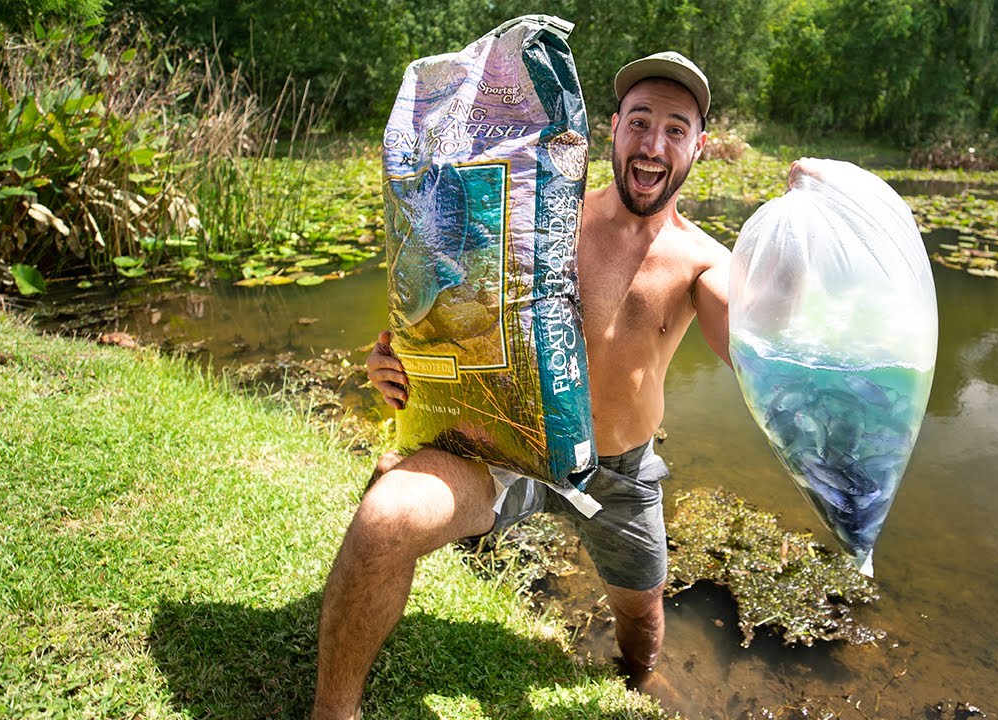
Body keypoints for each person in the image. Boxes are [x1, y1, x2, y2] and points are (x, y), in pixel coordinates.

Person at [312, 51, 731, 720]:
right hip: (505, 445)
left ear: (698, 146)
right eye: (641, 121)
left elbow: (746, 341)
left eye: (676, 129)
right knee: (383, 521)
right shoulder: (536, 216)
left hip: (617, 473)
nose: (654, 145)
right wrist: (396, 363)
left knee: (643, 623)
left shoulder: (709, 261)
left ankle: (640, 680)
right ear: (614, 127)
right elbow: (445, 305)